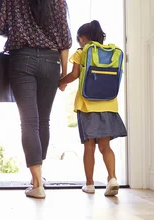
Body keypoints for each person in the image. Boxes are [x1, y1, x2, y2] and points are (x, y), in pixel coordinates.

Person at [0, 0, 72, 198]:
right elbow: (64, 40)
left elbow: (0, 26)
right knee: (43, 120)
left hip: (22, 58)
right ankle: (38, 178)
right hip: (51, 61)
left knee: (29, 122)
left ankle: (37, 183)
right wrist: (64, 75)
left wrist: (20, 27)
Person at [59, 20, 127, 196]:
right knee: (105, 146)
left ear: (82, 38)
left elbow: (74, 75)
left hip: (87, 105)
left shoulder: (81, 52)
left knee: (89, 147)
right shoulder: (111, 52)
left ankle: (89, 184)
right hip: (109, 104)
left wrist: (60, 83)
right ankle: (112, 178)